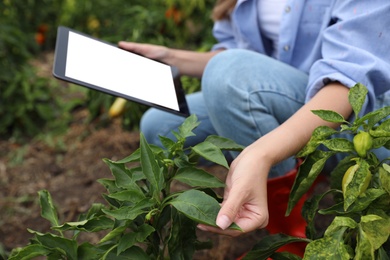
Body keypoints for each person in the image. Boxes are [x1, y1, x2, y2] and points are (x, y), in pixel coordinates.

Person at [119, 0, 390, 243]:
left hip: (356, 120)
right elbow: (238, 54)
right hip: (287, 95)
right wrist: (170, 57)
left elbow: (350, 85)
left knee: (228, 76)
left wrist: (261, 154)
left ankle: (291, 239)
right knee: (160, 127)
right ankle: (280, 217)